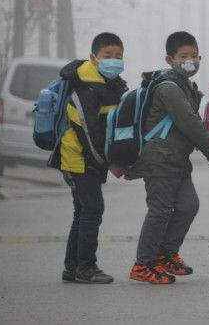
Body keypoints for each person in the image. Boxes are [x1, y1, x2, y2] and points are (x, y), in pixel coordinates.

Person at [128, 31, 209, 284]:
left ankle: (165, 254)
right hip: (159, 159)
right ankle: (143, 264)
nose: (190, 60)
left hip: (176, 160)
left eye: (194, 56)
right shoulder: (169, 88)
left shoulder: (185, 86)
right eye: (183, 56)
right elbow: (190, 123)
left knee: (188, 206)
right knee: (160, 211)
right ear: (169, 59)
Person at [52, 32, 128, 284]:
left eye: (119, 56)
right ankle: (86, 267)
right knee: (93, 209)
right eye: (108, 56)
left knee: (83, 211)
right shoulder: (85, 86)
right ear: (94, 58)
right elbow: (89, 133)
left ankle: (72, 266)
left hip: (89, 159)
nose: (114, 61)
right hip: (78, 158)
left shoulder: (114, 85)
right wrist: (110, 164)